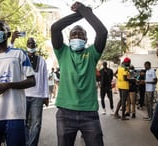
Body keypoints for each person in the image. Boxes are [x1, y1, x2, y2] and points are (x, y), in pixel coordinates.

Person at [51, 1, 108, 146]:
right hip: (65, 113)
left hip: (89, 113)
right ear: (69, 40)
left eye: (80, 34)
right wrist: (80, 14)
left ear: (86, 39)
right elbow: (55, 28)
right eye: (74, 34)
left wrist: (85, 11)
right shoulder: (62, 52)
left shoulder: (92, 53)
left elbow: (102, 32)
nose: (77, 36)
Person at [24, 37, 49, 146]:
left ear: (36, 45)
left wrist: (46, 96)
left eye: (33, 44)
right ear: (26, 45)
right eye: (29, 44)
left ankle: (31, 144)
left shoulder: (42, 60)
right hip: (22, 95)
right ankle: (24, 142)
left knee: (36, 123)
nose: (31, 45)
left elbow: (44, 78)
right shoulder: (22, 59)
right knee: (23, 123)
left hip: (38, 96)